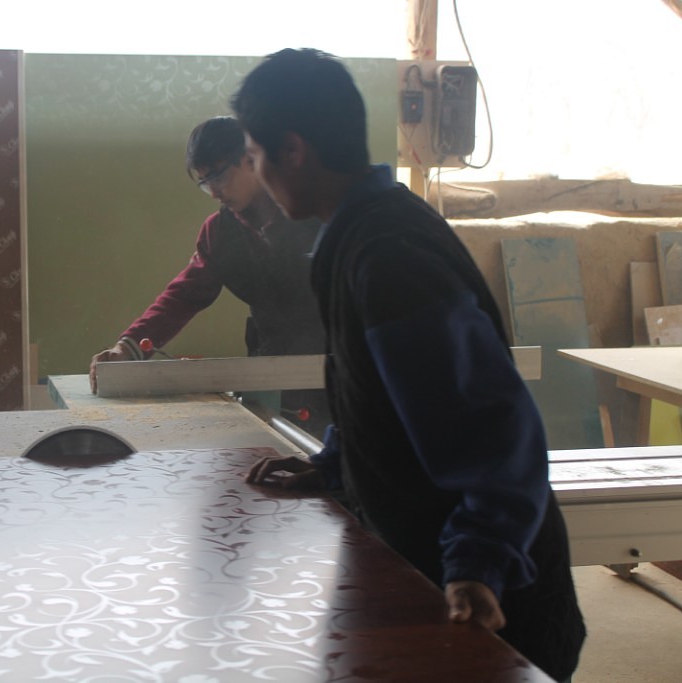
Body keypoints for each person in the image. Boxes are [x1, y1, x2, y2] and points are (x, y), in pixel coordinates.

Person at [234, 49, 585, 681]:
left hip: (489, 601)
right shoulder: (356, 234)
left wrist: (479, 559)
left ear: (293, 150)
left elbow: (494, 426)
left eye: (255, 155)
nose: (256, 174)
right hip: (432, 569)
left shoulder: (389, 258)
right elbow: (381, 391)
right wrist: (336, 465)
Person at [89, 116, 330, 435]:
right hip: (270, 373)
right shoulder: (218, 233)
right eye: (205, 183)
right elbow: (183, 296)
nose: (215, 192)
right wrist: (128, 347)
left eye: (220, 176)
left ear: (251, 159)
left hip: (341, 367)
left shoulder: (317, 212)